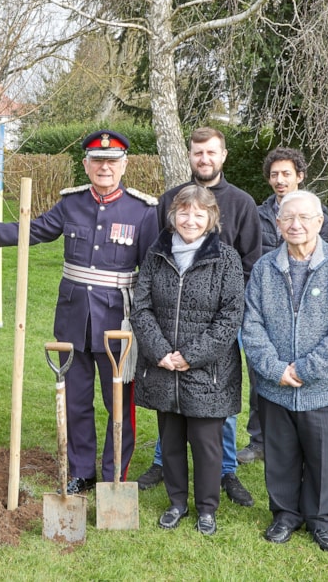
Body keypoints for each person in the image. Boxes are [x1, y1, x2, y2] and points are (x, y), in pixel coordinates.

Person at [0, 129, 158, 494]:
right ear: (86, 165)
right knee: (76, 400)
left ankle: (113, 476)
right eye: (97, 161)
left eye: (112, 162)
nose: (104, 168)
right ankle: (81, 471)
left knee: (119, 406)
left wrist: (145, 325)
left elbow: (152, 273)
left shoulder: (143, 211)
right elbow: (34, 230)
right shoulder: (71, 204)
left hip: (119, 324)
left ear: (124, 165)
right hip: (74, 320)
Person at [137, 127, 261, 509]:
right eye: (197, 153)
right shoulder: (169, 199)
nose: (204, 159)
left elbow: (251, 260)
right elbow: (154, 256)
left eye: (211, 152)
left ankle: (223, 470)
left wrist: (224, 312)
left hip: (220, 317)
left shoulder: (242, 202)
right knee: (171, 401)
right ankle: (164, 464)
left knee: (214, 404)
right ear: (190, 156)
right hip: (167, 322)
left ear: (223, 155)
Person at [242, 190, 328, 553]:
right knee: (280, 455)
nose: (295, 225)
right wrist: (275, 369)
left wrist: (306, 370)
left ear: (319, 222)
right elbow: (252, 325)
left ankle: (320, 519)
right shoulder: (265, 268)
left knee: (323, 457)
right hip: (276, 386)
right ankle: (284, 515)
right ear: (278, 224)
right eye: (287, 218)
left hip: (326, 389)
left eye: (304, 218)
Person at [131, 185, 244, 536]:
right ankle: (177, 501)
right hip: (163, 367)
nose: (190, 219)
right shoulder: (156, 254)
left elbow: (230, 316)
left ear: (211, 218)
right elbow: (141, 306)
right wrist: (160, 352)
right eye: (183, 212)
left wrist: (191, 356)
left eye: (198, 213)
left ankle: (207, 508)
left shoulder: (226, 258)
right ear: (173, 216)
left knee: (207, 446)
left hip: (208, 373)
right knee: (171, 442)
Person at [242, 146, 328, 465]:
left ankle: (303, 436)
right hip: (265, 305)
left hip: (308, 308)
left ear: (300, 176)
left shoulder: (318, 215)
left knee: (304, 373)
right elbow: (249, 256)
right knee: (261, 376)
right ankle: (259, 439)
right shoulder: (256, 214)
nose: (280, 180)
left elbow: (326, 264)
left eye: (286, 174)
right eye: (274, 175)